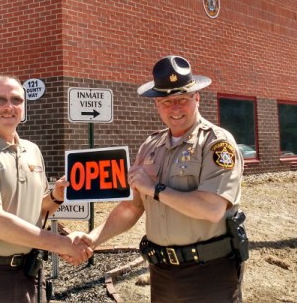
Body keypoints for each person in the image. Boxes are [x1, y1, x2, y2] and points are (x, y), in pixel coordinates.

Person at [85, 56, 246, 302]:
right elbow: (132, 207)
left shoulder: (216, 143)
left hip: (208, 273)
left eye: (182, 99)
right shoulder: (150, 146)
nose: (176, 108)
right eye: (167, 101)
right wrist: (93, 239)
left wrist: (156, 189)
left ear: (197, 98)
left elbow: (212, 208)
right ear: (157, 104)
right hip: (161, 272)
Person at [0, 74, 92, 303]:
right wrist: (62, 244)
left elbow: (36, 210)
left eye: (16, 100)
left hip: (28, 273)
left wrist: (55, 196)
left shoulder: (32, 151)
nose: (9, 107)